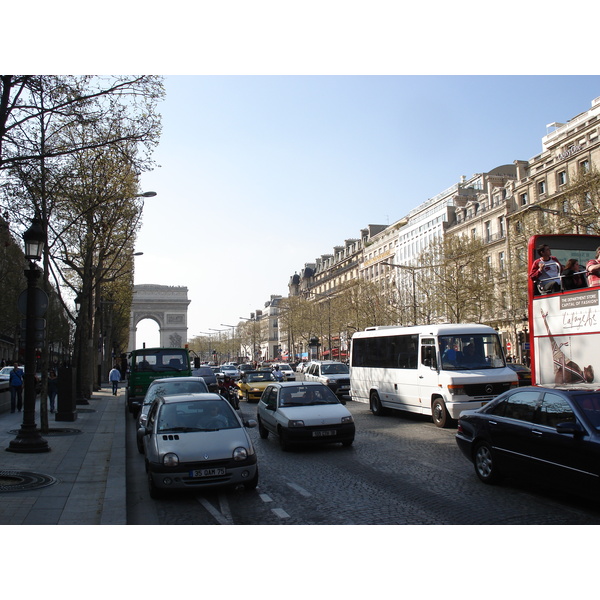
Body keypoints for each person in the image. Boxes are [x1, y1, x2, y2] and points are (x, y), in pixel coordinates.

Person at [541, 309, 593, 384]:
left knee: (551, 340)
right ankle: (544, 319)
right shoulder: (579, 377)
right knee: (552, 340)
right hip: (561, 365)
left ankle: (544, 319)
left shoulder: (576, 370)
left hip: (561, 362)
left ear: (585, 370)